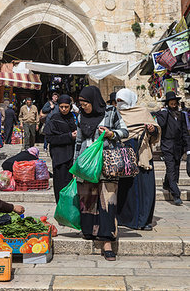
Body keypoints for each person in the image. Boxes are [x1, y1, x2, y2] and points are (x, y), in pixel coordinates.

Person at [74, 86, 128, 261]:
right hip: (87, 164)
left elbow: (125, 131)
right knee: (87, 200)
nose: (83, 107)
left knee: (107, 201)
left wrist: (111, 133)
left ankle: (107, 243)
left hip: (107, 162)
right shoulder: (81, 116)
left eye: (86, 103)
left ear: (94, 101)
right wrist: (75, 165)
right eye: (81, 104)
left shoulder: (111, 112)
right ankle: (90, 231)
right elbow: (79, 141)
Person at [116, 88, 161, 231]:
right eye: (117, 101)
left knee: (144, 188)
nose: (120, 104)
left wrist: (152, 130)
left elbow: (155, 132)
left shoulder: (142, 112)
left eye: (122, 101)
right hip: (123, 155)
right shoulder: (115, 114)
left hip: (141, 154)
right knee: (126, 188)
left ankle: (144, 220)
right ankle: (126, 219)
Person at [155, 91, 190, 205]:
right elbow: (161, 124)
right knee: (171, 168)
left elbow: (184, 131)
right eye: (171, 103)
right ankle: (176, 194)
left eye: (175, 103)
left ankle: (166, 183)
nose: (174, 105)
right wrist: (164, 112)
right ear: (168, 104)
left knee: (175, 167)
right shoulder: (163, 114)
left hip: (178, 146)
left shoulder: (181, 115)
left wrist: (187, 147)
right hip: (167, 145)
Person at [44, 94, 77, 203]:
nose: (63, 109)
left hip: (72, 156)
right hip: (59, 157)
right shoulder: (54, 119)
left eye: (66, 107)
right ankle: (61, 209)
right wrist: (69, 136)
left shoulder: (74, 118)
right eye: (61, 107)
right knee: (60, 185)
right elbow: (50, 138)